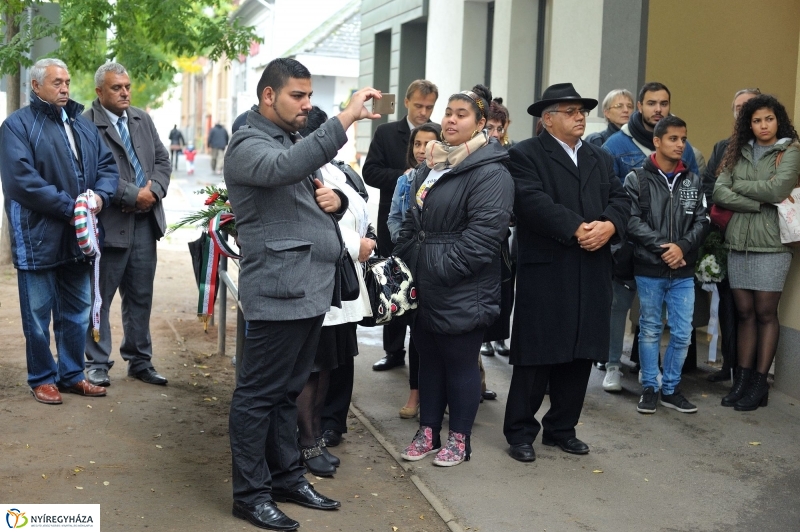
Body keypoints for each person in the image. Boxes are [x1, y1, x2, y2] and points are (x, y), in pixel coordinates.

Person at [224, 57, 381, 531]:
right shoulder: (248, 143)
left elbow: (298, 183)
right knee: (258, 396)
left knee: (287, 392)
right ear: (268, 95)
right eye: (299, 95)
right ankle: (250, 496)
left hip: (306, 287)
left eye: (311, 96)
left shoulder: (283, 137)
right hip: (279, 289)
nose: (306, 105)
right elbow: (284, 167)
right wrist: (346, 117)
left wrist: (332, 203)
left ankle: (286, 478)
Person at [503, 83, 630, 462]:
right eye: (571, 110)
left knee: (581, 352)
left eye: (582, 111)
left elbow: (622, 197)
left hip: (592, 266)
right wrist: (578, 228)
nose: (580, 116)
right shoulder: (524, 154)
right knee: (537, 354)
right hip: (548, 268)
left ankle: (562, 428)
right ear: (548, 118)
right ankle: (521, 432)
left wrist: (609, 225)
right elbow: (530, 201)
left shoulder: (599, 156)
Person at [395, 84, 514, 467]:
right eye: (448, 112)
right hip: (426, 283)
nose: (450, 119)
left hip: (463, 286)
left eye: (461, 114)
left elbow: (482, 240)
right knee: (427, 361)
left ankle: (460, 440)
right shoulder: (433, 164)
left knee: (459, 364)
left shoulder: (491, 173)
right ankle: (428, 432)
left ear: (481, 124)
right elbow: (412, 224)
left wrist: (436, 270)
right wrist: (409, 265)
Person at [0, 58, 118, 405]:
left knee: (77, 311)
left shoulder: (81, 125)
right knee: (37, 315)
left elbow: (107, 167)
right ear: (35, 86)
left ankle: (71, 375)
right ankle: (42, 378)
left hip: (78, 239)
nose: (65, 88)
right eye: (56, 82)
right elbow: (21, 182)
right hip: (37, 237)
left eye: (67, 81)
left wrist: (98, 197)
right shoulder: (16, 126)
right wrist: (71, 209)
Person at [294, 107, 376, 477]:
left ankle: (316, 437)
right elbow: (317, 222)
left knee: (327, 368)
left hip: (340, 287)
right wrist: (353, 239)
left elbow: (357, 209)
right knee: (311, 371)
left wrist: (366, 237)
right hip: (317, 283)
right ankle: (307, 443)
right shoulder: (304, 170)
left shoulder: (335, 170)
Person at [601, 82, 700, 386]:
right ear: (639, 106)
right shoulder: (616, 145)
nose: (659, 109)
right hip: (627, 243)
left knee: (656, 318)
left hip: (672, 251)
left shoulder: (684, 147)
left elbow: (696, 195)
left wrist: (680, 244)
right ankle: (612, 365)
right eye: (652, 103)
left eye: (664, 103)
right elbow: (606, 194)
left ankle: (653, 374)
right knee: (619, 304)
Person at [83, 62, 171, 388]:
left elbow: (162, 160)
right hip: (108, 225)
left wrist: (155, 191)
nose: (124, 92)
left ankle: (139, 361)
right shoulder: (85, 126)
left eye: (127, 86)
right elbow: (91, 174)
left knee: (140, 295)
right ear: (99, 92)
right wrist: (136, 195)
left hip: (145, 225)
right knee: (99, 298)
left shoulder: (141, 119)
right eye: (116, 88)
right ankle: (96, 363)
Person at [712, 94, 800, 412]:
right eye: (756, 120)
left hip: (773, 245)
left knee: (765, 314)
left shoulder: (790, 151)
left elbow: (778, 191)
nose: (763, 126)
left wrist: (740, 189)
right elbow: (719, 190)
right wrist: (754, 200)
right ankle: (742, 380)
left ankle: (760, 383)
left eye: (769, 119)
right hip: (739, 244)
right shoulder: (738, 151)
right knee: (744, 314)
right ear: (748, 124)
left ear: (779, 120)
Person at [624, 115, 709, 414]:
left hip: (683, 270)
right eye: (673, 138)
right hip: (650, 268)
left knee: (683, 331)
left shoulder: (693, 180)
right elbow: (631, 220)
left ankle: (670, 388)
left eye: (683, 139)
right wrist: (664, 248)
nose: (680, 144)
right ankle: (650, 386)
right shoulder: (637, 178)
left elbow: (702, 220)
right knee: (649, 329)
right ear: (657, 141)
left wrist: (682, 247)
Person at [363, 79, 439, 372]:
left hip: (426, 228)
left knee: (419, 289)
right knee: (392, 284)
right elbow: (370, 171)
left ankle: (421, 350)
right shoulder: (386, 132)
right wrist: (402, 175)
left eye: (429, 107)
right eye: (418, 105)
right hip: (392, 223)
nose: (423, 112)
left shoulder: (438, 134)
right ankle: (393, 351)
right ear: (407, 102)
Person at [702, 88, 761, 383]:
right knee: (727, 300)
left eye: (748, 105)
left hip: (760, 236)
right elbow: (711, 187)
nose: (742, 110)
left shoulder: (771, 147)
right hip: (724, 234)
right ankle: (730, 366)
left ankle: (751, 373)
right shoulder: (723, 146)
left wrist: (734, 195)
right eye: (737, 106)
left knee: (754, 305)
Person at [385, 123, 441, 419]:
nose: (422, 150)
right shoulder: (405, 180)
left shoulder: (449, 178)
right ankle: (416, 392)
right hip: (411, 262)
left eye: (428, 143)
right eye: (417, 144)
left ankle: (440, 395)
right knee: (417, 331)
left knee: (440, 332)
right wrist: (405, 245)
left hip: (440, 265)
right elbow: (394, 217)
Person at [480, 97, 516, 360]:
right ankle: (485, 341)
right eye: (490, 128)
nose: (495, 134)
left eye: (499, 129)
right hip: (478, 236)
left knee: (504, 291)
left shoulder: (510, 155)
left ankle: (500, 337)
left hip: (502, 238)